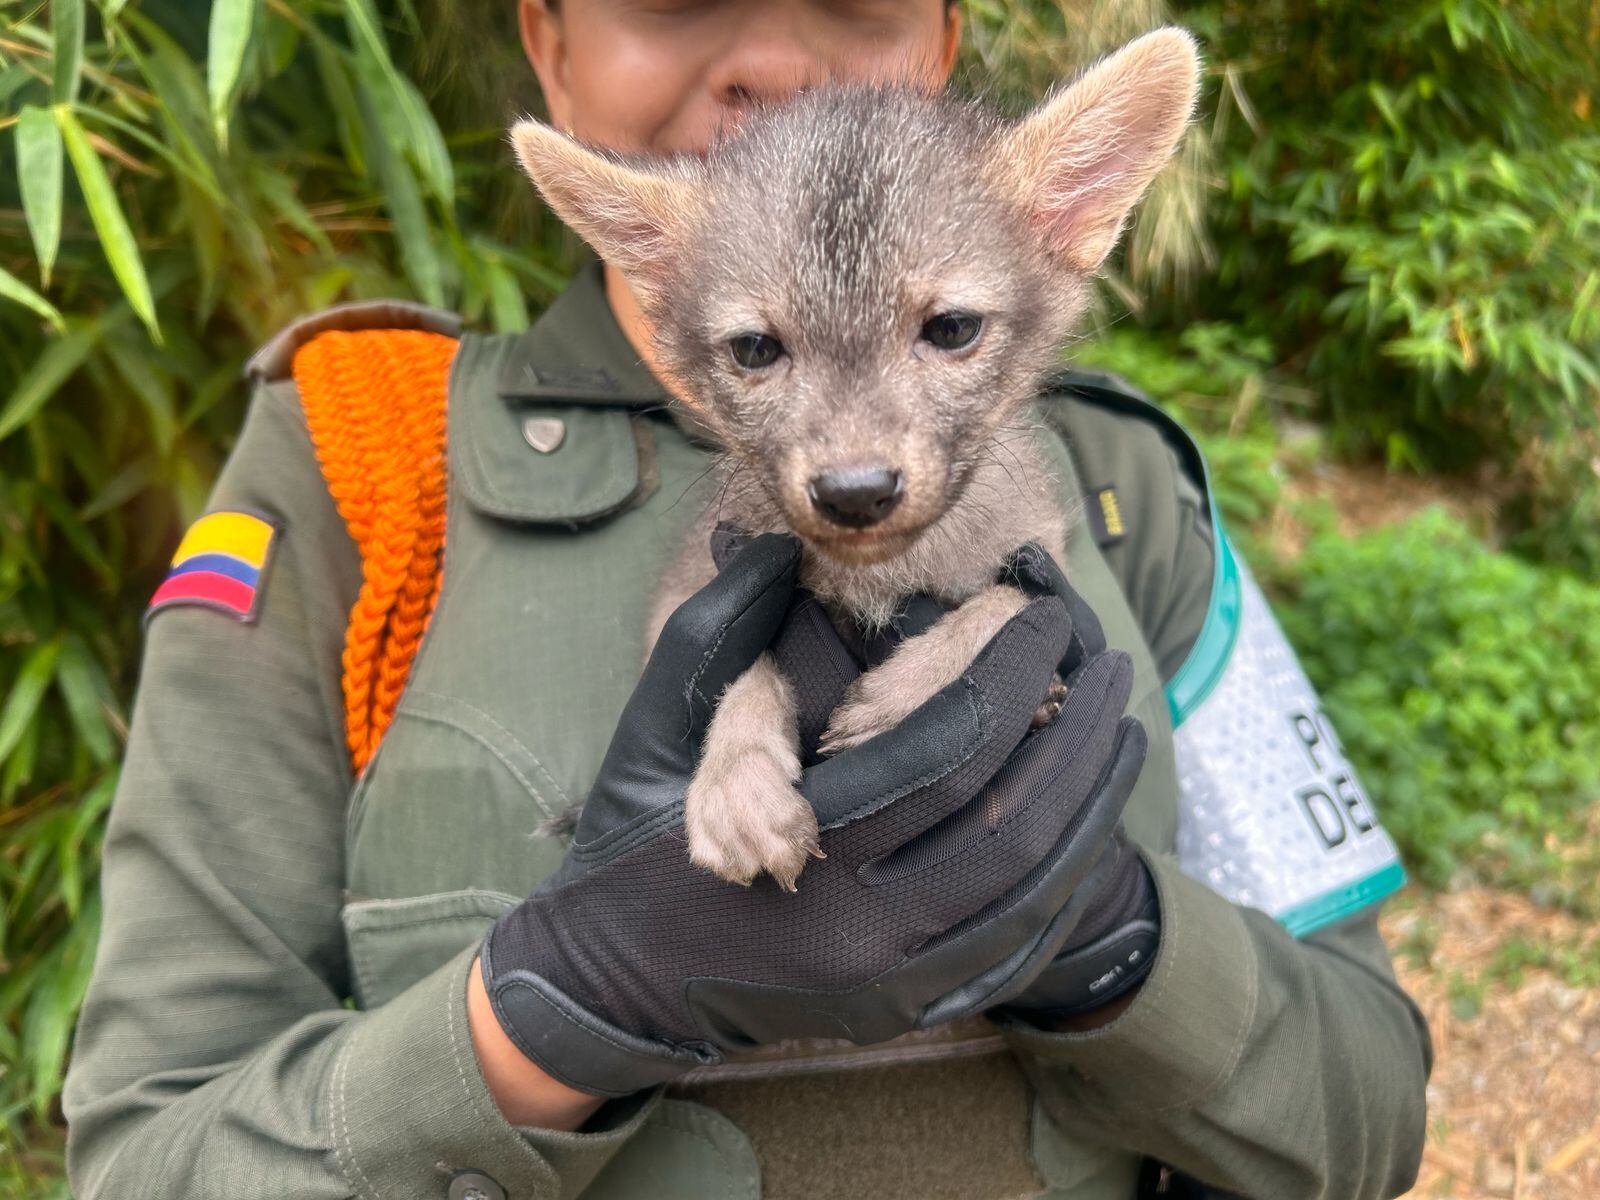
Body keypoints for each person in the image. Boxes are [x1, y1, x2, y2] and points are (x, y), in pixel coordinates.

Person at [60, 2, 1432, 1198]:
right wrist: (556, 1012)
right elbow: (143, 1161)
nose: (774, 56)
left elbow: (1369, 1109)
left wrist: (1121, 944)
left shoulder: (1129, 487)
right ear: (550, 43)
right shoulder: (365, 464)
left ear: (945, 44)